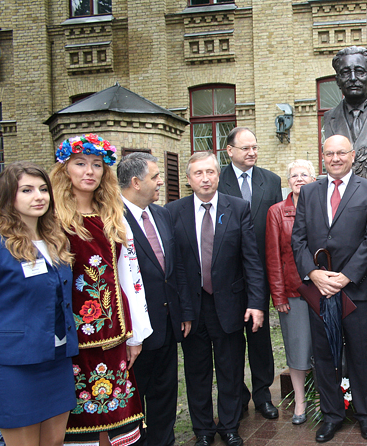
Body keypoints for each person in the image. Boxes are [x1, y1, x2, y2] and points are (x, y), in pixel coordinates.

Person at [51, 134, 152, 446]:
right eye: (80, 164)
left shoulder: (113, 216)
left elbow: (130, 277)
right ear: (64, 169)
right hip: (70, 337)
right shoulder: (51, 218)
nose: (89, 171)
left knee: (116, 418)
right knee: (78, 422)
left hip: (112, 331)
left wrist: (135, 334)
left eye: (96, 165)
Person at [166, 152, 266, 446]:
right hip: (191, 308)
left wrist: (257, 303)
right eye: (198, 173)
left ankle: (230, 426)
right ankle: (204, 431)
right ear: (188, 179)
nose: (206, 178)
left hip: (230, 305)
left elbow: (252, 261)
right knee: (196, 373)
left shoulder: (237, 208)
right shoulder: (173, 212)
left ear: (218, 175)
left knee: (230, 369)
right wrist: (181, 309)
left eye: (210, 172)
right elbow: (175, 268)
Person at [291, 134, 367, 443]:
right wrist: (313, 274)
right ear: (323, 156)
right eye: (329, 153)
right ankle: (331, 416)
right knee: (324, 354)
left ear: (353, 155)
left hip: (355, 290)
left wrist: (345, 277)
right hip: (319, 290)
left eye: (341, 153)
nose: (335, 158)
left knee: (359, 354)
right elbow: (298, 239)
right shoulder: (309, 193)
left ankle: (365, 415)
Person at [0, 162, 77, 446]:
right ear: (9, 196)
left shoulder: (56, 241)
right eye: (27, 190)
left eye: (43, 189)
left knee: (54, 443)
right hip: (13, 365)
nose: (39, 196)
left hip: (57, 360)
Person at [118, 153, 195, 446]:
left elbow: (176, 269)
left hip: (167, 323)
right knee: (134, 398)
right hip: (133, 332)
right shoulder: (111, 218)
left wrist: (184, 311)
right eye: (155, 177)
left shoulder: (161, 214)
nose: (161, 181)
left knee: (164, 396)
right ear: (136, 182)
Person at [218, 127, 282, 420]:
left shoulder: (271, 181)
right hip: (227, 275)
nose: (252, 153)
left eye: (255, 147)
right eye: (245, 148)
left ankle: (262, 395)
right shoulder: (215, 179)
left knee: (259, 338)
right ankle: (237, 398)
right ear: (229, 151)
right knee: (231, 340)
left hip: (260, 274)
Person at [265, 159, 316, 425]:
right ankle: (299, 401)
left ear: (313, 178)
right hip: (293, 292)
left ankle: (325, 398)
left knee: (323, 347)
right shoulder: (276, 212)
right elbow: (273, 257)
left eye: (304, 174)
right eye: (294, 175)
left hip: (322, 290)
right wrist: (279, 295)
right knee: (297, 349)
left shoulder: (322, 206)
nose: (299, 178)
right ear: (288, 182)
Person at [323, 46, 367, 181]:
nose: (353, 78)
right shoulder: (329, 118)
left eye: (360, 72)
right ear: (337, 80)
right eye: (345, 73)